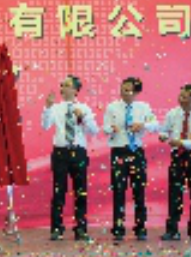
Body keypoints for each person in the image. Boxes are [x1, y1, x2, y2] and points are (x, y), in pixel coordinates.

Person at [42, 75, 99, 241]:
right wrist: (47, 107)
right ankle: (56, 228)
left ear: (75, 89)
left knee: (80, 191)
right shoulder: (55, 108)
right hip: (61, 153)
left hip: (78, 152)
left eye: (67, 85)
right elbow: (45, 126)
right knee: (58, 191)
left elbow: (94, 131)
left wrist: (83, 117)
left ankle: (81, 229)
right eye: (62, 85)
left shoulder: (84, 108)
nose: (63, 88)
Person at [102, 77, 159, 241]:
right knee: (118, 190)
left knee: (139, 190)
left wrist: (143, 125)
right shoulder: (112, 107)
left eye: (129, 90)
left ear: (136, 92)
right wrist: (110, 129)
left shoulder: (143, 107)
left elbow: (155, 125)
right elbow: (105, 128)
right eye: (123, 89)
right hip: (119, 151)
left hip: (136, 151)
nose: (125, 92)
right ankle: (118, 228)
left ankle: (140, 227)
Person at [159, 84, 191, 242]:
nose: (181, 99)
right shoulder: (172, 114)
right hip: (178, 157)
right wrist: (163, 136)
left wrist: (182, 142)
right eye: (180, 96)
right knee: (175, 193)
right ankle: (172, 230)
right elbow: (164, 130)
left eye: (185, 97)